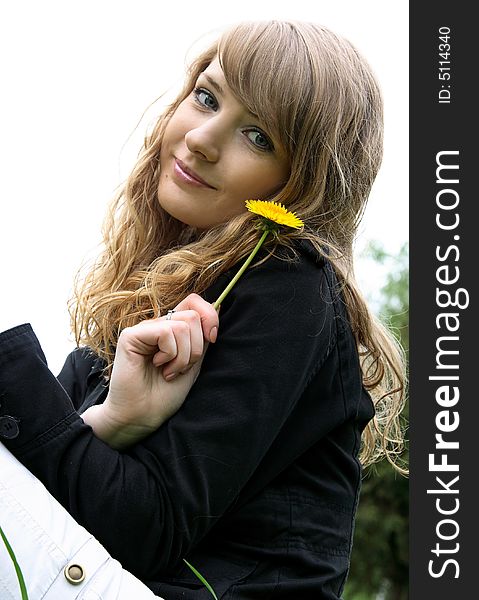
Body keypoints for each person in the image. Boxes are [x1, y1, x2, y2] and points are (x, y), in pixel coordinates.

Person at [0, 19, 407, 599]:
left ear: (302, 183)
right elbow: (50, 475)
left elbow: (145, 529)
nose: (201, 139)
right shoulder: (145, 303)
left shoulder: (289, 284)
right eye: (207, 97)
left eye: (258, 136)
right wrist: (114, 420)